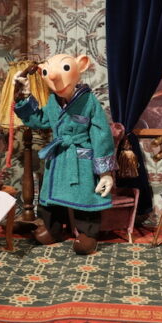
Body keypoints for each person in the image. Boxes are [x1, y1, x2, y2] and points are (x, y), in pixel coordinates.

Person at [13, 53, 115, 255]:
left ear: (81, 66)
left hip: (81, 157)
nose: (54, 79)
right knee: (51, 196)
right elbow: (39, 120)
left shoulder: (89, 101)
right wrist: (24, 95)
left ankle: (88, 234)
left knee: (85, 195)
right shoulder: (53, 101)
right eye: (46, 72)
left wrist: (105, 172)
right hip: (59, 155)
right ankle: (53, 229)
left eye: (66, 68)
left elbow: (101, 134)